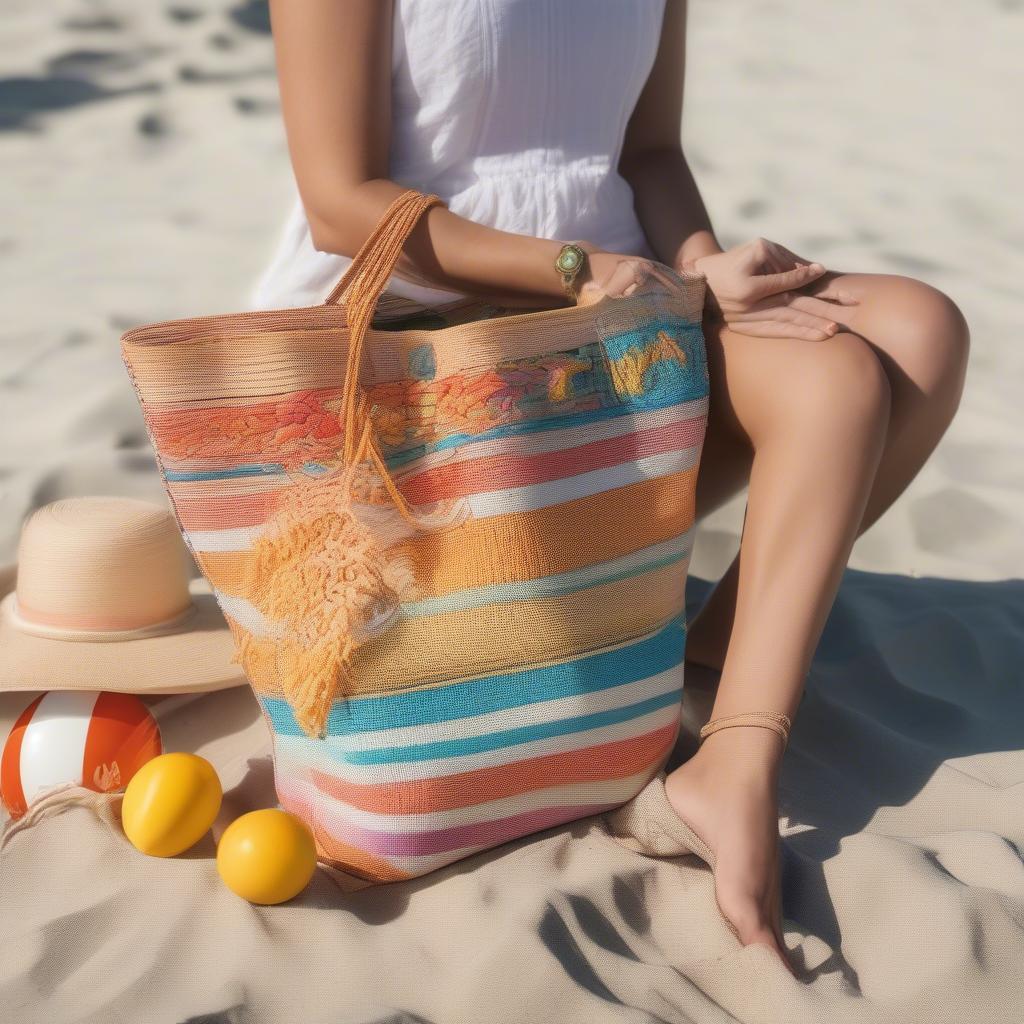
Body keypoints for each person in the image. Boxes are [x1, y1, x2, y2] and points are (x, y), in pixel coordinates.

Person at [253, 0, 970, 973]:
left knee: (916, 333)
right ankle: (711, 733)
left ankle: (718, 725)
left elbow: (651, 154)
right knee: (833, 378)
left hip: (610, 316)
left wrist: (700, 268)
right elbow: (341, 202)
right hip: (416, 350)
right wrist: (576, 267)